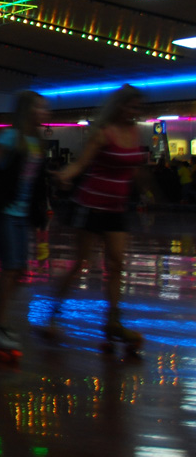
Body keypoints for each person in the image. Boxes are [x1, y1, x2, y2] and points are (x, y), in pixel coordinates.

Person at [42, 85, 149, 350]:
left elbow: (133, 167)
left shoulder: (134, 132)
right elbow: (82, 164)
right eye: (131, 106)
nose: (134, 112)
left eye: (138, 108)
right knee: (81, 263)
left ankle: (113, 321)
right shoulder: (103, 133)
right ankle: (53, 314)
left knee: (116, 265)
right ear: (119, 106)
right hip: (89, 206)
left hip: (116, 208)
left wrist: (146, 192)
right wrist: (64, 175)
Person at [0, 91, 50, 355]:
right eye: (40, 108)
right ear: (28, 111)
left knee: (17, 272)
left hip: (21, 215)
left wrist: (42, 208)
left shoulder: (36, 142)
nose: (45, 113)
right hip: (4, 213)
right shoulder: (10, 138)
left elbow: (36, 182)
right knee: (11, 268)